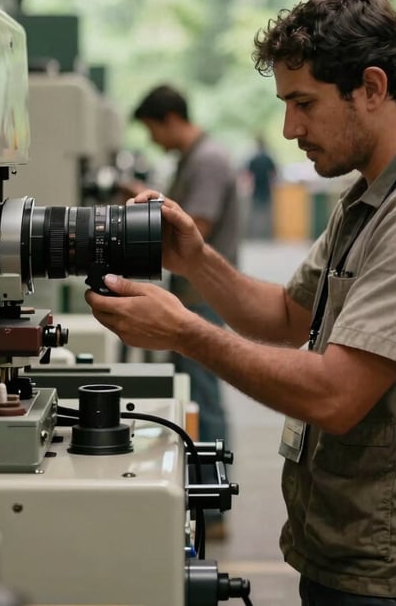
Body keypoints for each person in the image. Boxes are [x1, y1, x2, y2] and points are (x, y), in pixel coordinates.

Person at [90, 0, 396, 604]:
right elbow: (288, 316)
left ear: (371, 87)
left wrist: (184, 331)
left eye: (303, 104)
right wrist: (195, 261)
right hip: (357, 553)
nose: (290, 129)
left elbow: (339, 395)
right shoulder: (373, 195)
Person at [132, 83, 240, 536]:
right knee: (195, 401)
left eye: (153, 130)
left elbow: (197, 225)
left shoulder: (209, 160)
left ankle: (213, 511)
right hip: (190, 295)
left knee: (206, 403)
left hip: (202, 299)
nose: (153, 141)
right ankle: (204, 502)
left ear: (170, 119)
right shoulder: (193, 159)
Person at [245, 135, 278, 239]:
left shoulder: (254, 158)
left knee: (255, 214)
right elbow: (274, 173)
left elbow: (248, 174)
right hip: (266, 189)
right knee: (267, 214)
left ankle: (254, 236)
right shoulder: (268, 158)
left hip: (256, 189)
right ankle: (267, 236)